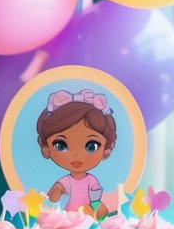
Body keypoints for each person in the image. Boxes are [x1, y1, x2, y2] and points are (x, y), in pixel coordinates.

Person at [36, 88, 115, 218]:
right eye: (60, 145)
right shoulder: (66, 181)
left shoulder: (92, 181)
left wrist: (93, 209)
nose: (76, 154)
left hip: (88, 218)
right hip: (68, 219)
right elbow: (53, 196)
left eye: (91, 146)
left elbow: (96, 200)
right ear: (46, 148)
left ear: (106, 150)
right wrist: (56, 192)